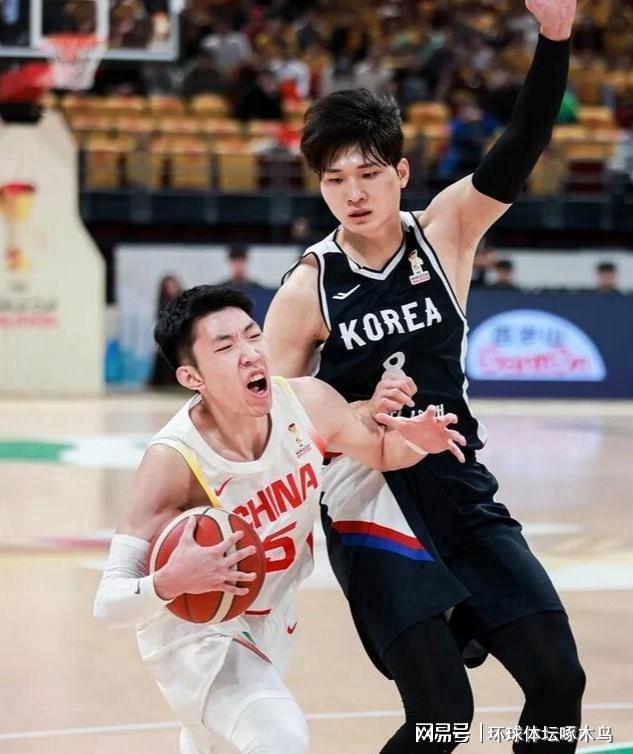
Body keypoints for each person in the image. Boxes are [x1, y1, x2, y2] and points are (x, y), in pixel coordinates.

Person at [264, 1, 586, 751]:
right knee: (442, 719)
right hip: (369, 504)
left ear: (401, 173)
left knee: (557, 680)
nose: (353, 192)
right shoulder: (307, 287)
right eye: (335, 179)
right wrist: (357, 413)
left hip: (456, 485)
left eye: (369, 174)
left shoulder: (446, 232)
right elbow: (273, 418)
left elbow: (522, 142)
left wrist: (554, 38)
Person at [94, 285, 466, 754]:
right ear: (192, 376)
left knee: (219, 741)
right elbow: (108, 603)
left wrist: (417, 442)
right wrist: (171, 580)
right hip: (193, 631)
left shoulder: (308, 402)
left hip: (271, 615)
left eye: (253, 335)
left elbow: (380, 451)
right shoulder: (173, 460)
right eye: (225, 347)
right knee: (278, 736)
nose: (250, 353)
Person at [219, 244, 275, 326]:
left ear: (246, 260)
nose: (238, 264)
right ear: (230, 262)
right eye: (235, 260)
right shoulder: (219, 291)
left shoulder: (260, 291)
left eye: (241, 259)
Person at [148, 274, 183, 388]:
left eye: (172, 286)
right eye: (168, 287)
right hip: (168, 335)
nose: (171, 289)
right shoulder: (162, 303)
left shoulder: (183, 301)